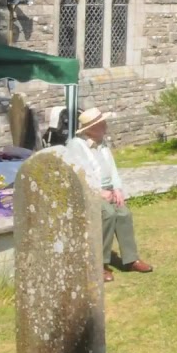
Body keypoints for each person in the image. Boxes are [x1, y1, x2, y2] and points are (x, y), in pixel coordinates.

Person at [66, 108, 154, 282]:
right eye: (101, 124)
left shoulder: (102, 142)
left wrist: (118, 189)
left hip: (108, 190)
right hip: (88, 191)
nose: (105, 126)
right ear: (89, 128)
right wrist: (99, 192)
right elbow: (79, 175)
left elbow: (112, 169)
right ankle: (99, 264)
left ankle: (131, 259)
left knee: (123, 213)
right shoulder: (76, 145)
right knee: (108, 213)